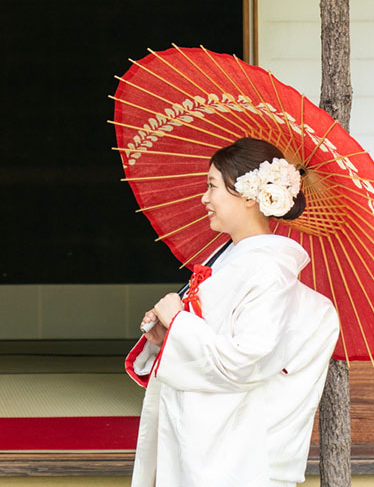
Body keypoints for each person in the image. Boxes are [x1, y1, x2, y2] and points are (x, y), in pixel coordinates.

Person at [127, 137, 340, 487]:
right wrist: (168, 335)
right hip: (203, 434)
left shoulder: (269, 273)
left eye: (212, 186)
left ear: (250, 196)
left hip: (228, 447)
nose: (204, 198)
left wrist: (178, 320)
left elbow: (246, 360)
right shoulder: (233, 258)